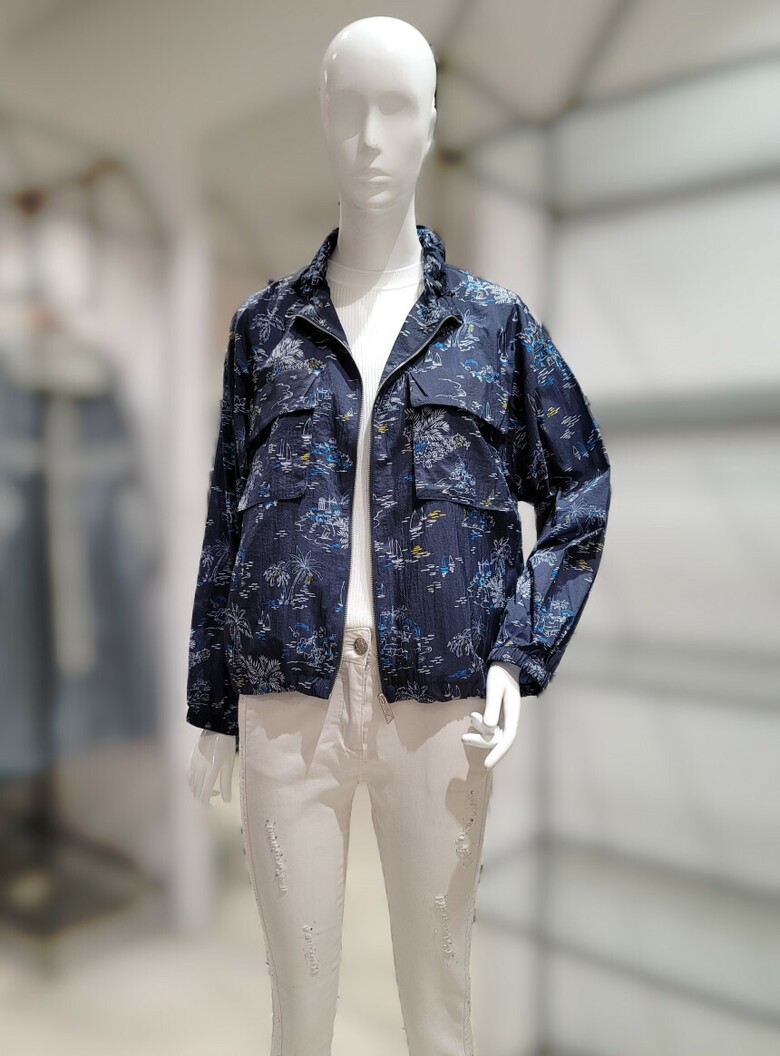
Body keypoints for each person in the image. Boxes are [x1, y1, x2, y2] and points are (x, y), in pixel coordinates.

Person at [186, 16, 611, 1056]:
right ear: (322, 120)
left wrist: (518, 653)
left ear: (430, 122)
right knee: (299, 1007)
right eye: (349, 108)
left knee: (437, 996)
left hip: (441, 703)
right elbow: (224, 514)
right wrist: (213, 705)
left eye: (396, 109)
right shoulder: (264, 329)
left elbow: (580, 488)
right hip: (285, 700)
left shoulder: (493, 326)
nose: (370, 139)